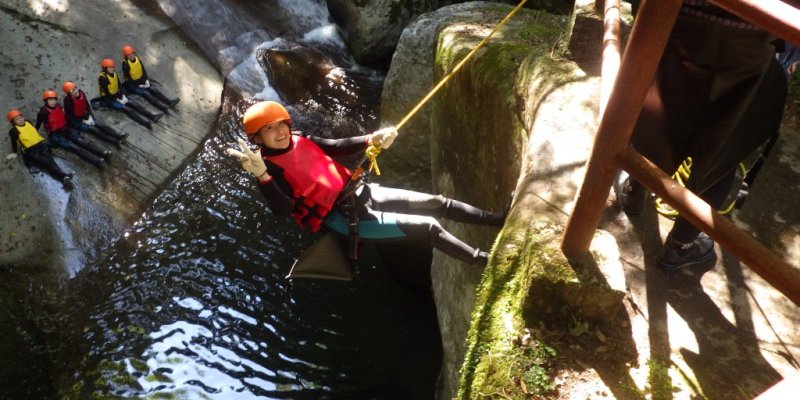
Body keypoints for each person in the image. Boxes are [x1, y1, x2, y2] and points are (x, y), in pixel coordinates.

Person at [618, 0, 789, 270]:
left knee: (657, 119)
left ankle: (635, 190)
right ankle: (680, 246)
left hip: (677, 25)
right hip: (751, 48)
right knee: (722, 153)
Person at [226, 101, 505, 265]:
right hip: (342, 220)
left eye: (280, 123)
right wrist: (262, 176)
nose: (279, 132)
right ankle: (486, 262)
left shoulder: (301, 138)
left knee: (436, 202)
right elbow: (283, 210)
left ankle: (498, 220)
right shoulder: (266, 167)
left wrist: (372, 138)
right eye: (269, 129)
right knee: (430, 227)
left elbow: (335, 146)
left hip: (359, 193)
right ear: (258, 139)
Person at [36, 90, 110, 169]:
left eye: (54, 99)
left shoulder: (58, 106)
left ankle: (102, 153)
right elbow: (38, 124)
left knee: (83, 142)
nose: (53, 102)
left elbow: (64, 118)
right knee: (76, 148)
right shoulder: (43, 113)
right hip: (56, 135)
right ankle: (97, 161)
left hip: (66, 129)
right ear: (46, 101)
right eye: (50, 100)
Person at [6, 109, 74, 190]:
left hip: (41, 146)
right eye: (17, 119)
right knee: (48, 163)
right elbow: (13, 142)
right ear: (13, 122)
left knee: (51, 162)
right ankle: (65, 176)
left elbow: (34, 132)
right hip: (31, 151)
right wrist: (15, 152)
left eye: (20, 117)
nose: (20, 120)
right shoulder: (14, 131)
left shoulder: (28, 122)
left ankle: (64, 179)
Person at [97, 58, 163, 129]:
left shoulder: (114, 73)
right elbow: (107, 94)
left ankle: (153, 116)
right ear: (105, 68)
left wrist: (123, 94)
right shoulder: (102, 78)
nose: (112, 68)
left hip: (117, 94)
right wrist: (118, 100)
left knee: (134, 104)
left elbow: (119, 85)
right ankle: (145, 123)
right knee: (127, 109)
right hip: (110, 99)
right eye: (110, 67)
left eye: (113, 67)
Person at [62, 81, 128, 150]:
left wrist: (90, 115)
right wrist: (84, 121)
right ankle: (115, 142)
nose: (75, 91)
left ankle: (119, 136)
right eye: (72, 91)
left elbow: (87, 105)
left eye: (75, 88)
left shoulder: (81, 93)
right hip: (77, 121)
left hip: (86, 116)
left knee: (101, 125)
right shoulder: (68, 101)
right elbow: (70, 117)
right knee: (94, 130)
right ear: (69, 93)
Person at [120, 45, 180, 113]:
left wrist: (146, 80)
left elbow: (143, 69)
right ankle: (163, 108)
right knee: (146, 94)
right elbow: (128, 78)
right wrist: (139, 85)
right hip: (133, 84)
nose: (131, 55)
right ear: (126, 56)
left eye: (132, 53)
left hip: (141, 80)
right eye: (128, 55)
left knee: (153, 89)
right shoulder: (125, 64)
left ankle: (169, 102)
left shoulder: (137, 58)